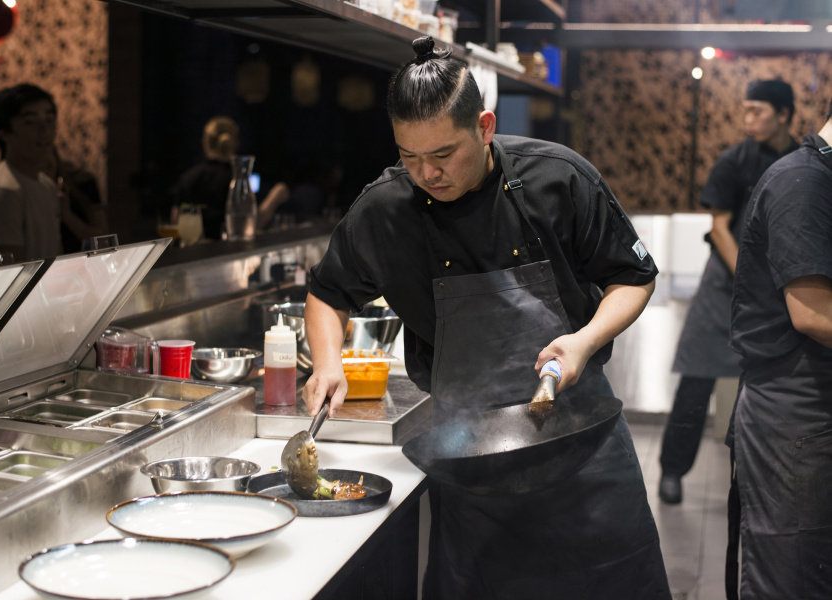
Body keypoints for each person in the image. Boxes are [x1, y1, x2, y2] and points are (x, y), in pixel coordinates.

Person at [301, 37, 670, 598]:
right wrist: (328, 363)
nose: (427, 173)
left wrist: (585, 340)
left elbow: (633, 276)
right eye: (409, 156)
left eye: (443, 154)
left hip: (584, 451)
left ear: (485, 127)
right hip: (471, 460)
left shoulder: (557, 179)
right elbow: (327, 294)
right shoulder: (384, 211)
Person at [657, 79, 799, 504]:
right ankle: (671, 471)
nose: (748, 119)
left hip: (776, 293)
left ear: (784, 114)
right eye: (746, 109)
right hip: (724, 287)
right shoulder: (734, 160)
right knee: (695, 383)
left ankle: (758, 481)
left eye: (758, 110)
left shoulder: (801, 162)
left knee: (762, 389)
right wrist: (748, 278)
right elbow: (719, 228)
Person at [727, 97, 832, 599]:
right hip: (795, 411)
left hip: (814, 402)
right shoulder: (803, 183)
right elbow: (813, 313)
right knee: (792, 576)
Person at [0, 83, 62, 266]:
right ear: (4, 132)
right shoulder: (2, 191)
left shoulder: (46, 185)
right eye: (30, 121)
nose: (45, 129)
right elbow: (8, 273)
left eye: (49, 119)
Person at [170, 116, 289, 240]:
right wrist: (275, 197)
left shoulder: (189, 177)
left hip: (196, 249)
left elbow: (176, 223)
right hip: (229, 249)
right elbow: (248, 226)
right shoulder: (237, 180)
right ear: (236, 142)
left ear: (206, 142)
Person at [43, 147, 109, 253]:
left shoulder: (84, 183)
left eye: (44, 149)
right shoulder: (27, 195)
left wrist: (67, 215)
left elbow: (103, 241)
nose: (42, 160)